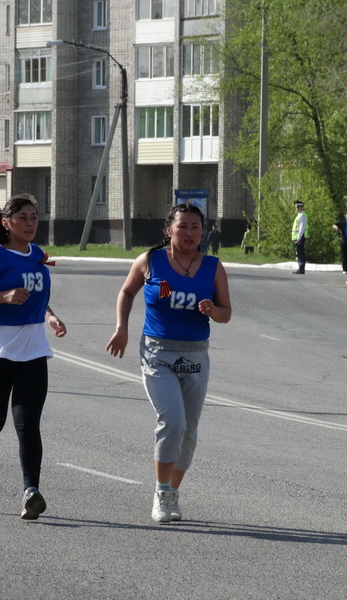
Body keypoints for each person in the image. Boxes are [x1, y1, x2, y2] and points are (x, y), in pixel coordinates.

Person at [106, 203, 232, 523]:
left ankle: (171, 493)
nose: (189, 233)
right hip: (157, 353)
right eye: (183, 226)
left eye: (195, 227)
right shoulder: (151, 261)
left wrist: (211, 310)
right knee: (172, 421)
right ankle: (162, 493)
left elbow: (226, 313)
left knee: (188, 432)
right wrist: (122, 328)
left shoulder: (213, 267)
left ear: (202, 232)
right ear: (169, 230)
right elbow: (126, 292)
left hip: (195, 355)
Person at [0, 193, 67, 520]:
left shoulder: (38, 256)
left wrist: (50, 316)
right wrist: (2, 296)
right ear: (6, 223)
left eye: (34, 217)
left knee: (28, 424)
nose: (30, 223)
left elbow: (33, 295)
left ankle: (31, 491)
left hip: (33, 349)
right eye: (22, 217)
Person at [291, 201, 308, 274]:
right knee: (299, 253)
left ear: (301, 207)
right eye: (296, 207)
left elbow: (301, 228)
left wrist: (298, 238)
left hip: (300, 237)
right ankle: (300, 268)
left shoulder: (302, 216)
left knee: (300, 253)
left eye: (298, 207)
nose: (297, 208)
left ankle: (301, 269)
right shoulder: (299, 215)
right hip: (298, 237)